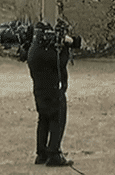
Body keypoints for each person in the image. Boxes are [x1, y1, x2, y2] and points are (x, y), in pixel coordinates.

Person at [27, 19, 81, 166]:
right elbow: (60, 63)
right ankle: (54, 154)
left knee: (43, 119)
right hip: (53, 90)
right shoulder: (48, 54)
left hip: (39, 91)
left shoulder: (33, 51)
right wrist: (65, 47)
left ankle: (41, 153)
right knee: (57, 118)